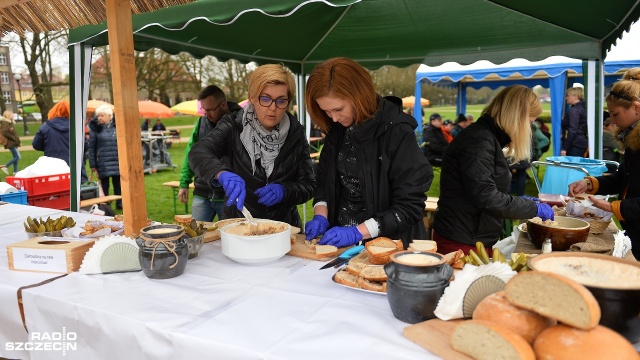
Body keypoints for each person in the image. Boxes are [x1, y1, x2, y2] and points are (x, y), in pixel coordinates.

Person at [304, 57, 433, 248]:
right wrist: (320, 214)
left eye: (338, 109)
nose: (334, 117)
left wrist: (358, 232)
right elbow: (324, 181)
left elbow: (409, 206)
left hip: (389, 245)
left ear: (359, 95)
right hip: (342, 244)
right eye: (327, 111)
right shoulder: (337, 129)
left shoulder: (396, 130)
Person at [189, 64, 315, 228]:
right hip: (239, 224)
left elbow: (308, 184)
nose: (273, 108)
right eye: (265, 98)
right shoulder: (233, 125)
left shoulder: (295, 133)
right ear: (253, 97)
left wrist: (285, 190)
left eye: (281, 101)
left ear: (289, 101)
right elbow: (198, 152)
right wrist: (221, 173)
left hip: (283, 227)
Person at [432, 85, 554, 254]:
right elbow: (486, 197)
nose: (530, 129)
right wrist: (532, 208)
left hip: (471, 235)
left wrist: (522, 202)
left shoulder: (487, 137)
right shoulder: (479, 141)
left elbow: (484, 187)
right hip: (461, 240)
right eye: (530, 122)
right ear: (517, 118)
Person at [568, 68, 640, 259]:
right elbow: (623, 178)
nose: (612, 121)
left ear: (636, 108)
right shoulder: (633, 140)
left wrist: (614, 207)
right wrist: (589, 183)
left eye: (615, 114)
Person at [178, 86, 242, 222]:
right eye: (204, 110)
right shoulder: (201, 122)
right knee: (196, 238)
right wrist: (184, 183)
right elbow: (191, 153)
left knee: (229, 238)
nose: (206, 114)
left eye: (209, 110)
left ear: (223, 104)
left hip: (228, 196)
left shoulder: (241, 122)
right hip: (202, 194)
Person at [88, 104, 122, 209]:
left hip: (117, 161)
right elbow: (91, 147)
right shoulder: (95, 129)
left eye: (102, 115)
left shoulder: (117, 127)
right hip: (103, 162)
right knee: (105, 185)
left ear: (109, 116)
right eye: (98, 116)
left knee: (118, 184)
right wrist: (93, 164)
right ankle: (106, 205)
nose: (99, 118)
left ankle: (120, 203)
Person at [560, 87, 588, 157]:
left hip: (575, 144)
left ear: (576, 96)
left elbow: (573, 130)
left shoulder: (575, 110)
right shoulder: (584, 108)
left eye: (568, 96)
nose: (566, 98)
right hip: (582, 142)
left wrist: (565, 148)